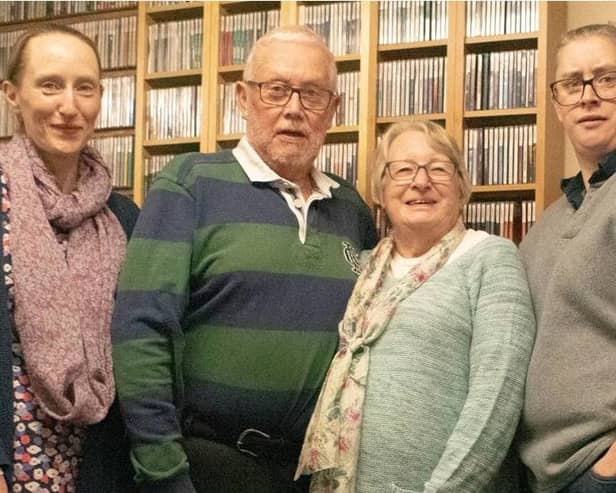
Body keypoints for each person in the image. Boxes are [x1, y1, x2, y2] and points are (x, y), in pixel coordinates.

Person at [111, 26, 377, 492]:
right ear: (242, 97)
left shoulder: (351, 208)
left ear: (333, 110)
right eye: (275, 90)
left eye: (312, 94)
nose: (293, 109)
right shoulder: (190, 185)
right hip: (207, 468)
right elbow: (141, 331)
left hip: (314, 474)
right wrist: (163, 473)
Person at [296, 119, 536, 493]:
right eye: (403, 169)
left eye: (438, 169)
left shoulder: (490, 257)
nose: (420, 182)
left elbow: (498, 396)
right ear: (381, 187)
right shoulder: (361, 267)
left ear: (461, 185)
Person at [0, 24, 139, 493]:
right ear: (12, 94)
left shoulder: (123, 217)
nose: (69, 106)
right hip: (9, 458)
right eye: (50, 85)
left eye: (84, 87)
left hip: (97, 461)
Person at [518, 23, 616, 493]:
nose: (589, 96)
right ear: (558, 105)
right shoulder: (545, 226)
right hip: (542, 476)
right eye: (572, 83)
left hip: (599, 473)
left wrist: (608, 468)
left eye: (607, 78)